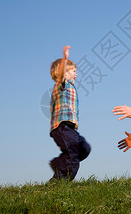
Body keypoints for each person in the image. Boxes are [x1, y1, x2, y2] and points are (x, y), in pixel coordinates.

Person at [48, 45, 91, 181]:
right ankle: (60, 183)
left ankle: (58, 163)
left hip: (69, 128)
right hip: (62, 127)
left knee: (84, 149)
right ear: (65, 73)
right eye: (73, 71)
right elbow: (60, 75)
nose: (76, 74)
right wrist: (65, 58)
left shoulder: (70, 87)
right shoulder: (61, 85)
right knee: (73, 156)